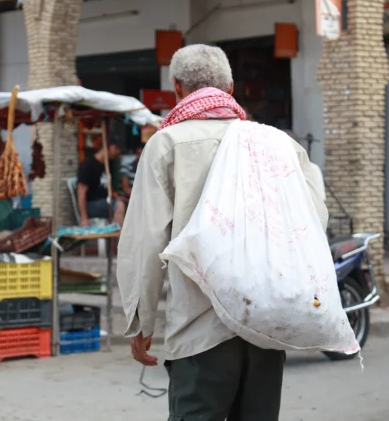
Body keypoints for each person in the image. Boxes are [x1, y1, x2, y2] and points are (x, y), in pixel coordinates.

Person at [117, 44, 328, 420]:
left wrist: (140, 321)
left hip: (201, 332)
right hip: (266, 325)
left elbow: (144, 244)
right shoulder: (280, 144)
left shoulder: (166, 145)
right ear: (230, 87)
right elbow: (313, 224)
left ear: (177, 88)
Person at [76, 140, 126, 227]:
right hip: (91, 205)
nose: (119, 152)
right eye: (116, 148)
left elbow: (107, 187)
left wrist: (116, 196)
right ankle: (118, 237)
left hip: (105, 202)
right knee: (119, 205)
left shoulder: (109, 164)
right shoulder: (88, 164)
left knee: (127, 203)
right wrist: (84, 218)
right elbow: (81, 192)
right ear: (107, 147)